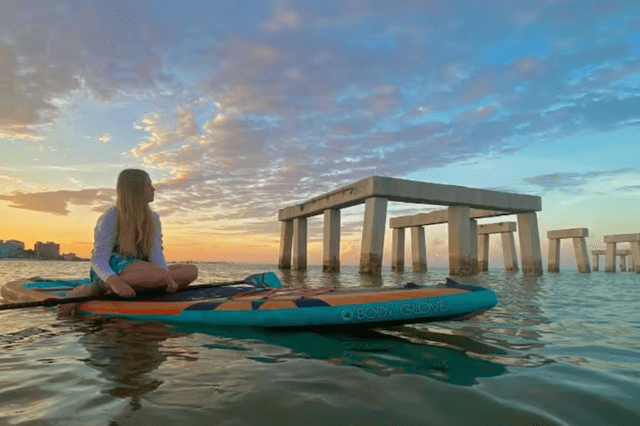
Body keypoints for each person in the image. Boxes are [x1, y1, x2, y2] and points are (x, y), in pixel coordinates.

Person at [58, 169, 198, 315]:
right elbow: (98, 258)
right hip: (109, 270)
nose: (153, 189)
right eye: (148, 185)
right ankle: (92, 289)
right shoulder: (112, 215)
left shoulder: (153, 218)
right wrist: (113, 281)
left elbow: (156, 253)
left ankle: (150, 283)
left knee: (191, 271)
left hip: (140, 269)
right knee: (158, 275)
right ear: (134, 190)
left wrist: (166, 276)